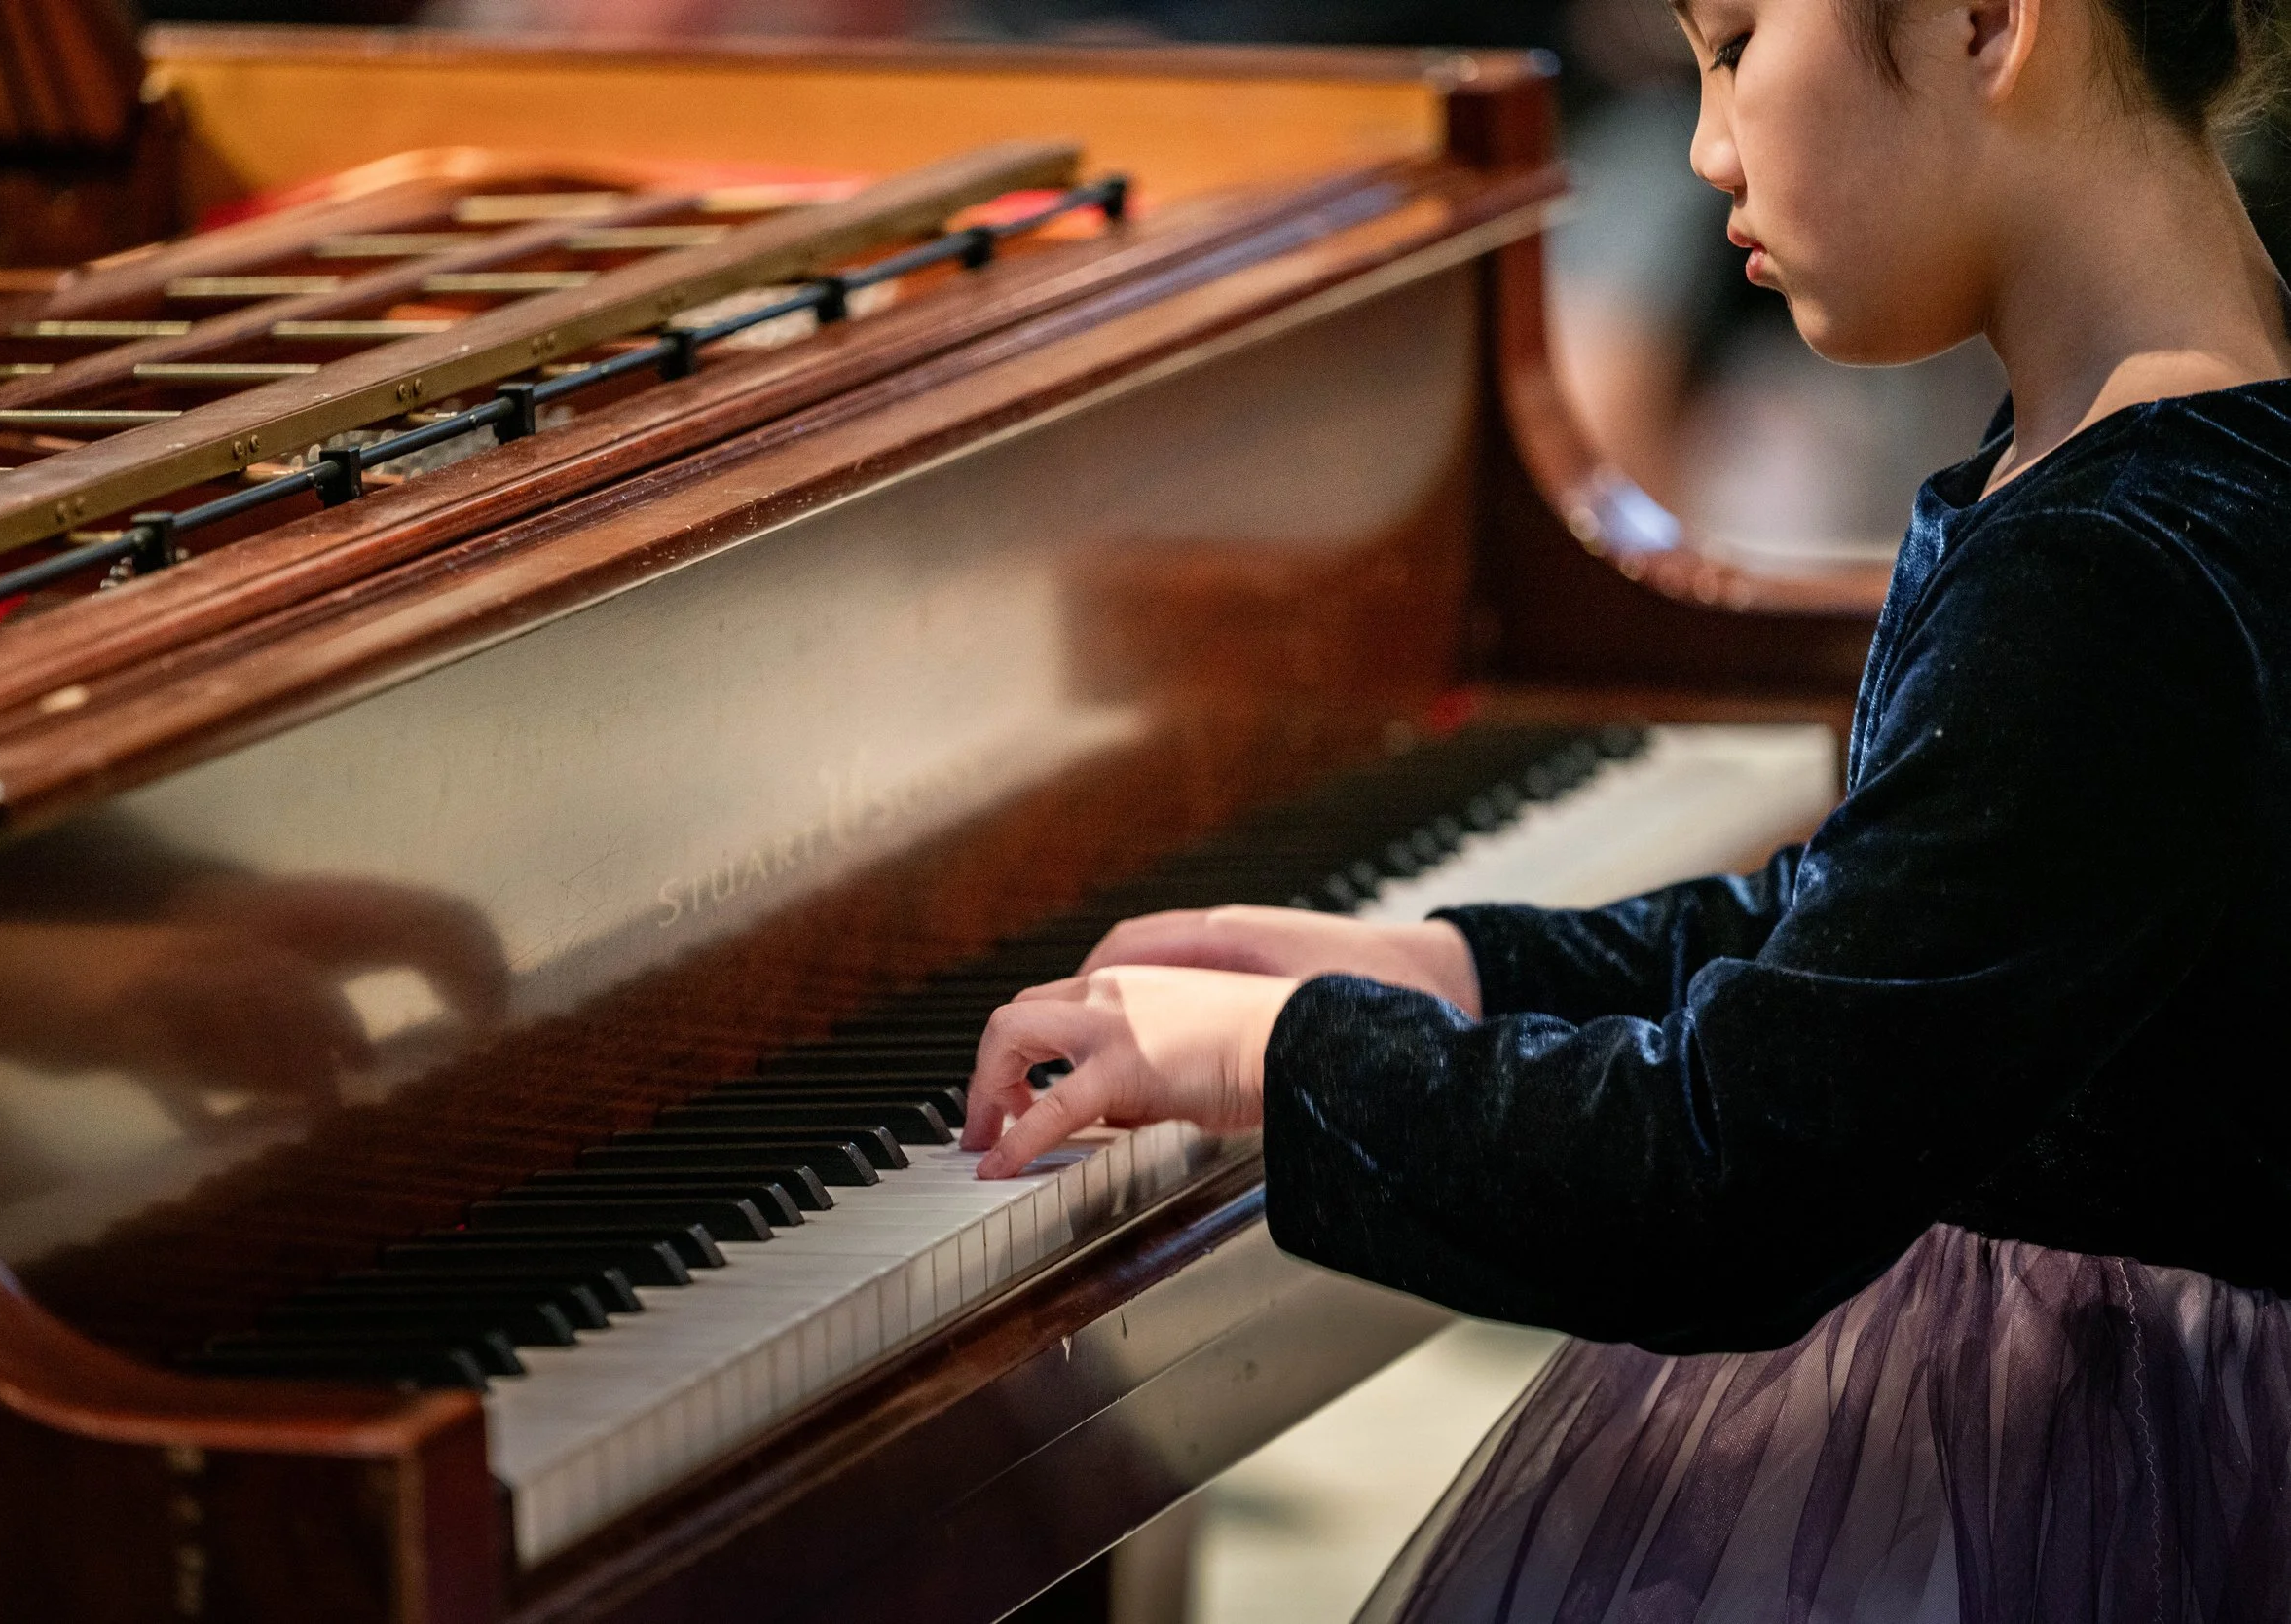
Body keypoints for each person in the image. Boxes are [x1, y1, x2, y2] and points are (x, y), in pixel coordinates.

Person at [962, 0, 2291, 1612]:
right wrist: (1445, 971)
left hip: (2093, 1485)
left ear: (1981, 20)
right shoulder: (2157, 461)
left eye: (1736, 42)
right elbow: (1863, 950)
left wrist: (1269, 1056)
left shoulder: (2118, 574)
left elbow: (1734, 1177)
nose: (1706, 145)